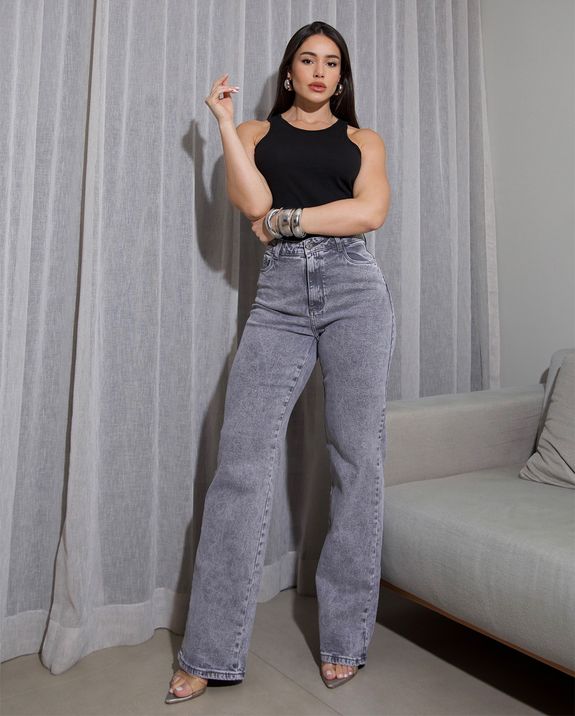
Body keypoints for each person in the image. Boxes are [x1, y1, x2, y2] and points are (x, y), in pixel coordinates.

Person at [166, 20, 396, 705]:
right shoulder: (255, 134)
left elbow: (369, 213)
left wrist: (291, 222)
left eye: (332, 62)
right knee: (239, 465)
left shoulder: (364, 141)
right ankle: (208, 651)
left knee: (356, 461)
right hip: (279, 299)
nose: (320, 71)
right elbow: (253, 204)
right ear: (289, 71)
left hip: (355, 291)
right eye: (307, 59)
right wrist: (222, 123)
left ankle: (344, 640)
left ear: (341, 77)